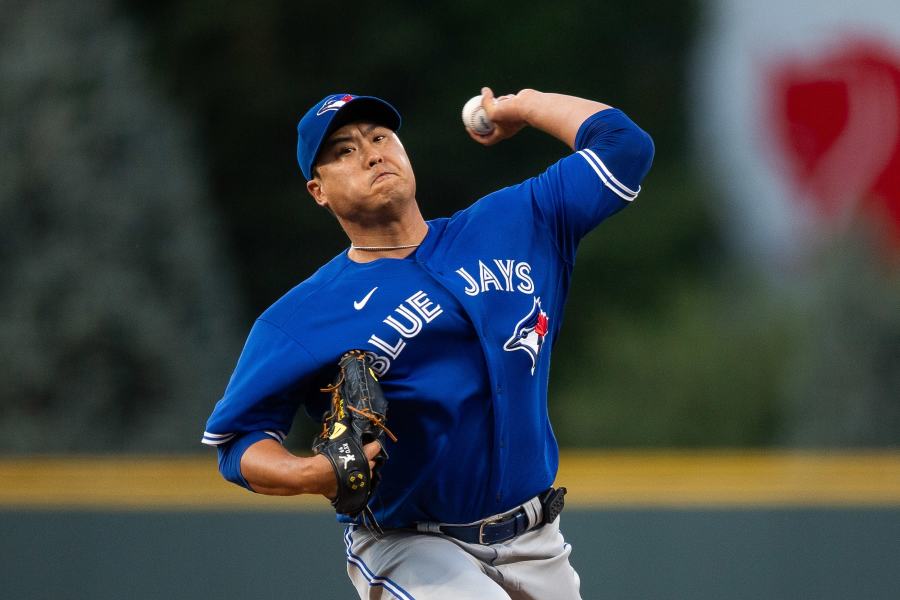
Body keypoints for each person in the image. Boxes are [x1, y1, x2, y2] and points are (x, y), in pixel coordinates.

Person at [202, 87, 654, 599]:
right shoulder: (301, 317)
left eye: (380, 137)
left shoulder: (514, 223)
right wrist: (310, 473)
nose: (372, 153)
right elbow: (238, 442)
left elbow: (624, 145)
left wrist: (522, 106)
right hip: (412, 548)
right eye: (344, 151)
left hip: (538, 541)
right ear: (318, 191)